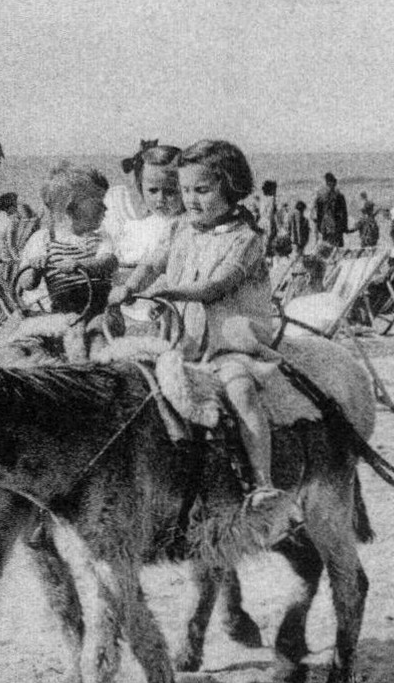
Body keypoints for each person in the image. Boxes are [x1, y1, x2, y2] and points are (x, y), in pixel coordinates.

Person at [111, 139, 296, 543]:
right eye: (185, 190)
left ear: (230, 188)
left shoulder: (244, 239)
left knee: (242, 390)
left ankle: (261, 483)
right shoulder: (180, 228)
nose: (190, 200)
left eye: (202, 190)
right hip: (184, 339)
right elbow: (152, 262)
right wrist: (129, 288)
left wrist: (170, 292)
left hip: (232, 342)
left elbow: (214, 287)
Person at [17, 163, 118, 329]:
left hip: (101, 311)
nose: (105, 207)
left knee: (100, 332)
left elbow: (109, 262)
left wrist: (81, 265)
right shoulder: (44, 239)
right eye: (98, 201)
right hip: (64, 314)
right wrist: (35, 268)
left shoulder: (100, 238)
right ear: (71, 208)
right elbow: (26, 283)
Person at [312, 172, 349, 249]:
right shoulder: (339, 196)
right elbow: (344, 213)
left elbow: (315, 214)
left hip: (327, 227)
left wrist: (319, 227)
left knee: (328, 248)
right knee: (335, 248)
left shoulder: (321, 196)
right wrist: (345, 227)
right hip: (335, 227)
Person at [257, 180, 281, 253]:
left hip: (261, 222)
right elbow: (270, 214)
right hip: (268, 223)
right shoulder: (271, 199)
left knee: (262, 244)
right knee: (267, 244)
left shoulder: (262, 198)